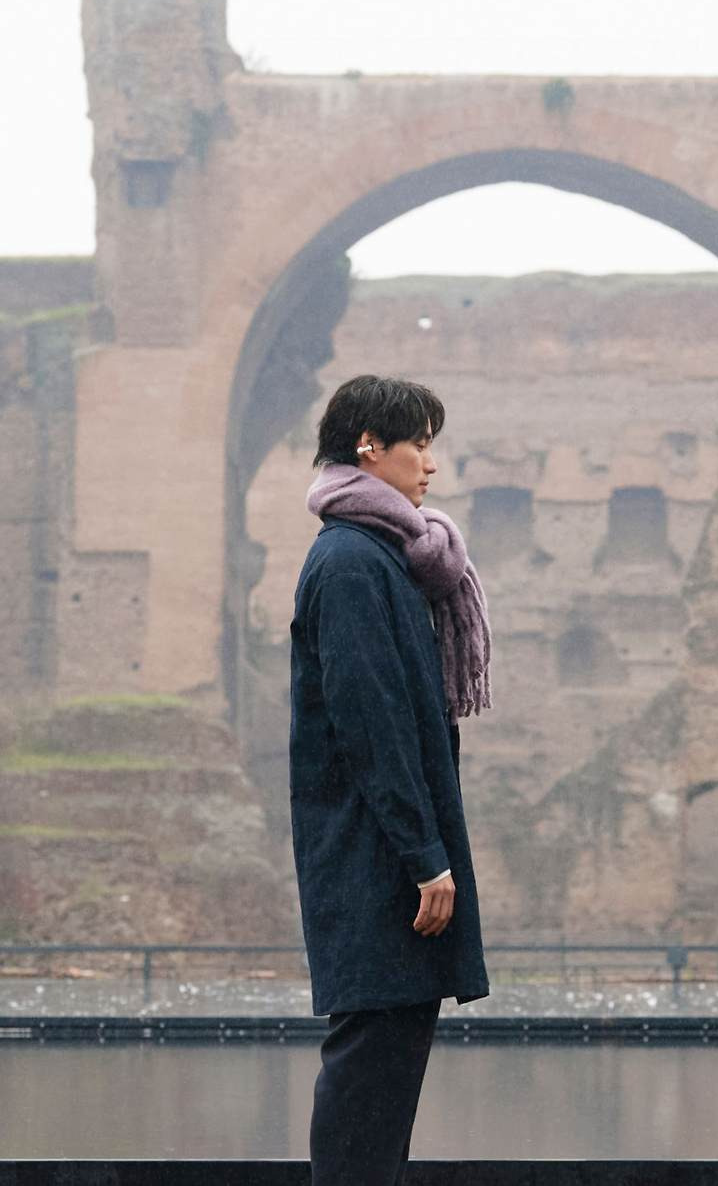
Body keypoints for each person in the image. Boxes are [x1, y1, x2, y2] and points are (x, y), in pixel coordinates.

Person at [290, 374, 492, 1186]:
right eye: (420, 444)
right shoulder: (349, 563)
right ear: (369, 446)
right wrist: (423, 855)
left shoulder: (382, 557)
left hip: (386, 857)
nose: (431, 465)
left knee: (386, 1069)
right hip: (374, 861)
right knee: (369, 1069)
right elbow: (372, 724)